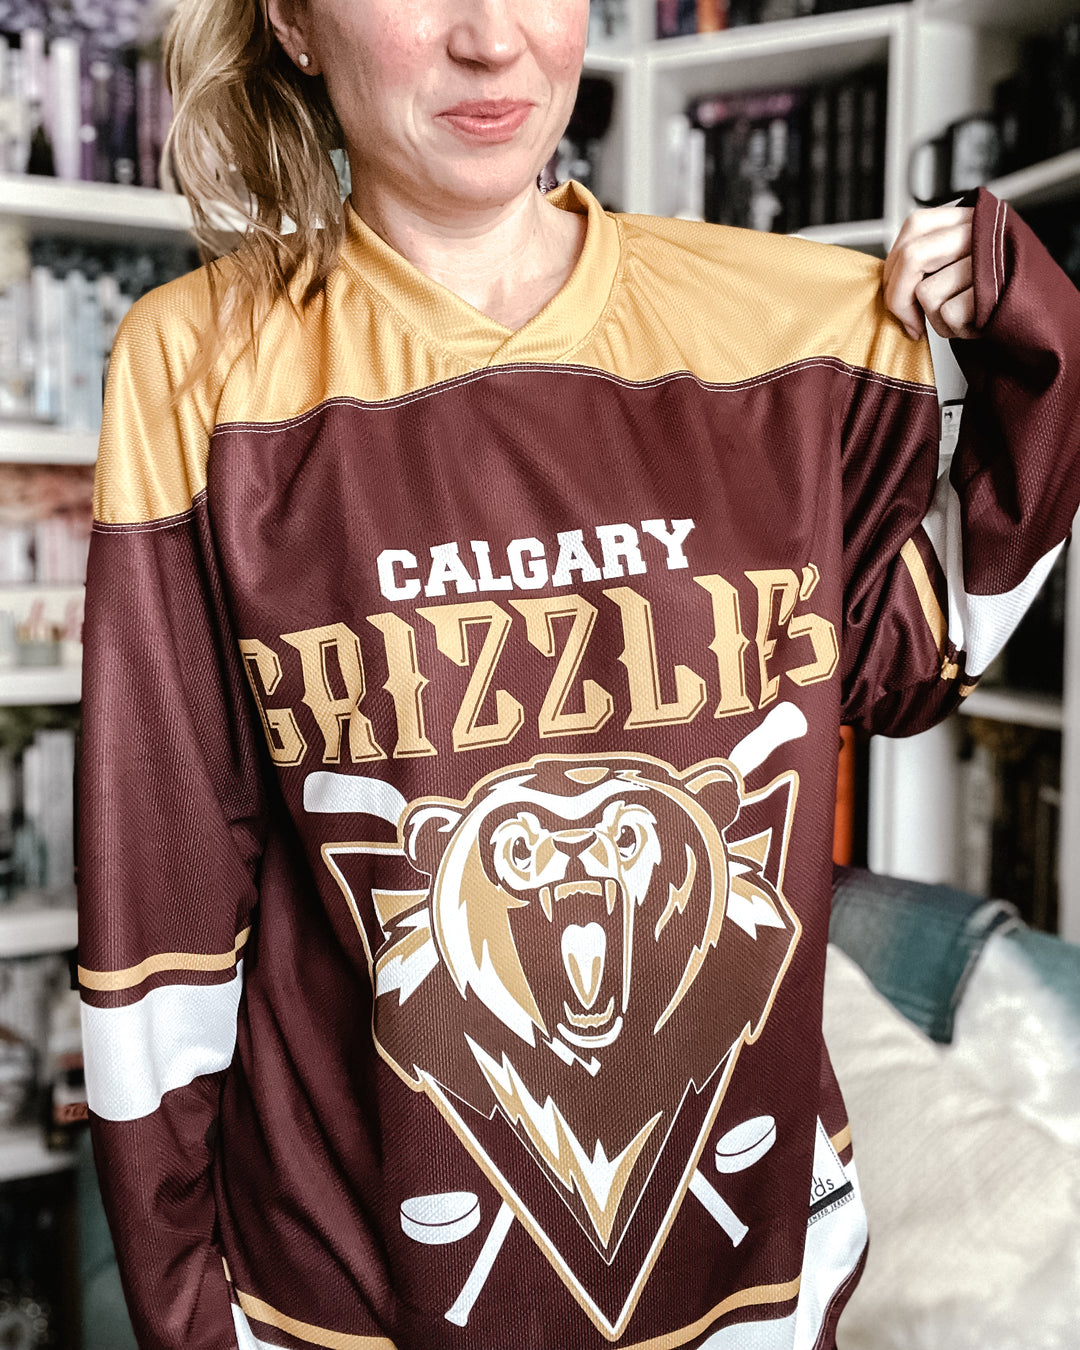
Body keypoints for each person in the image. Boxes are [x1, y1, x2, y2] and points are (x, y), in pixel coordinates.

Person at [75, 1, 1080, 1348]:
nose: (493, 42)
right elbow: (163, 895)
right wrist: (189, 1305)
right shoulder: (197, 366)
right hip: (343, 1294)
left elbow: (915, 650)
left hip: (745, 1296)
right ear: (295, 26)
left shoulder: (782, 333)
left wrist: (1037, 344)